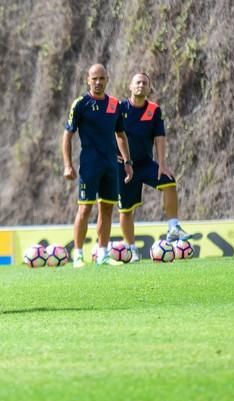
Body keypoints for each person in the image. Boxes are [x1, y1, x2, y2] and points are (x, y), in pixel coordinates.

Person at [62, 64, 134, 268]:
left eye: (102, 78)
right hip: (89, 165)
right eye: (94, 78)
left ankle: (102, 253)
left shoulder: (114, 105)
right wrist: (67, 165)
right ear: (88, 80)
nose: (98, 82)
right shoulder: (80, 104)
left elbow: (120, 135)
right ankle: (77, 254)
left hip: (111, 165)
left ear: (107, 79)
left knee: (107, 210)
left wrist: (127, 162)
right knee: (85, 209)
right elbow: (67, 135)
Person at [117, 73, 191, 262]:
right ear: (130, 87)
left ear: (150, 88)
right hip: (124, 167)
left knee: (169, 181)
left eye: (145, 83)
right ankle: (132, 249)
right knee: (125, 211)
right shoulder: (119, 108)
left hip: (145, 164)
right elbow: (113, 135)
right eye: (137, 82)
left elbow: (160, 137)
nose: (141, 85)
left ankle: (173, 227)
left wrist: (162, 163)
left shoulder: (154, 110)